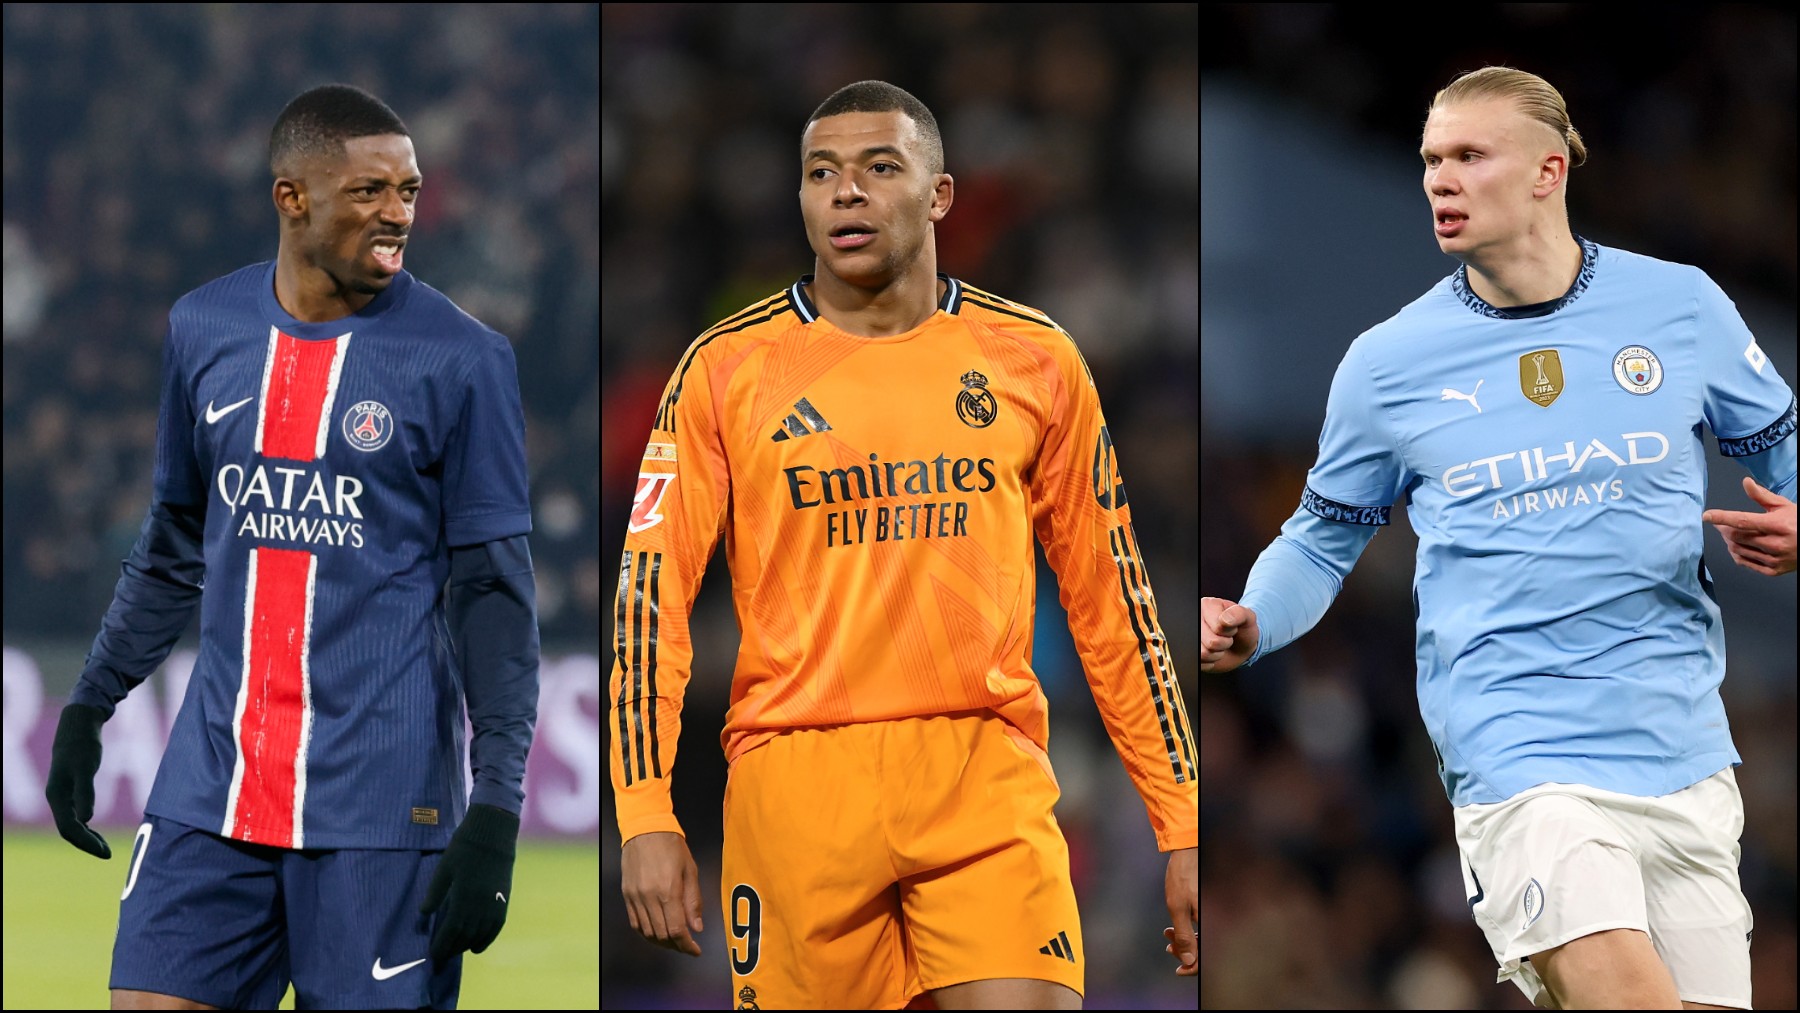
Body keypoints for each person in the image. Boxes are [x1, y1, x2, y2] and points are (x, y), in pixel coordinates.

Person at [1203, 66, 1795, 1010]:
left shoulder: (1680, 308)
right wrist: (1254, 619)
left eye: (1470, 156)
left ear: (1546, 173)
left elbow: (1783, 444)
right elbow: (1321, 536)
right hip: (1521, 755)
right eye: (1432, 159)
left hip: (1682, 749)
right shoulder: (1389, 363)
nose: (1440, 178)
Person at [609, 79, 1198, 1010]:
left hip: (982, 775)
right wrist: (645, 809)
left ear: (940, 195)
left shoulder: (1033, 360)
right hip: (797, 790)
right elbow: (651, 597)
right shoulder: (725, 371)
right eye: (821, 173)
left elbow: (1113, 602)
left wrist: (1181, 817)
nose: (846, 192)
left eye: (880, 168)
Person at [41, 83, 540, 1011]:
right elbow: (173, 541)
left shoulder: (463, 359)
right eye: (370, 191)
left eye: (411, 190)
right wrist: (89, 705)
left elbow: (494, 599)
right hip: (215, 786)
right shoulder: (204, 327)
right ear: (292, 198)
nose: (399, 214)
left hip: (383, 808)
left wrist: (498, 805)